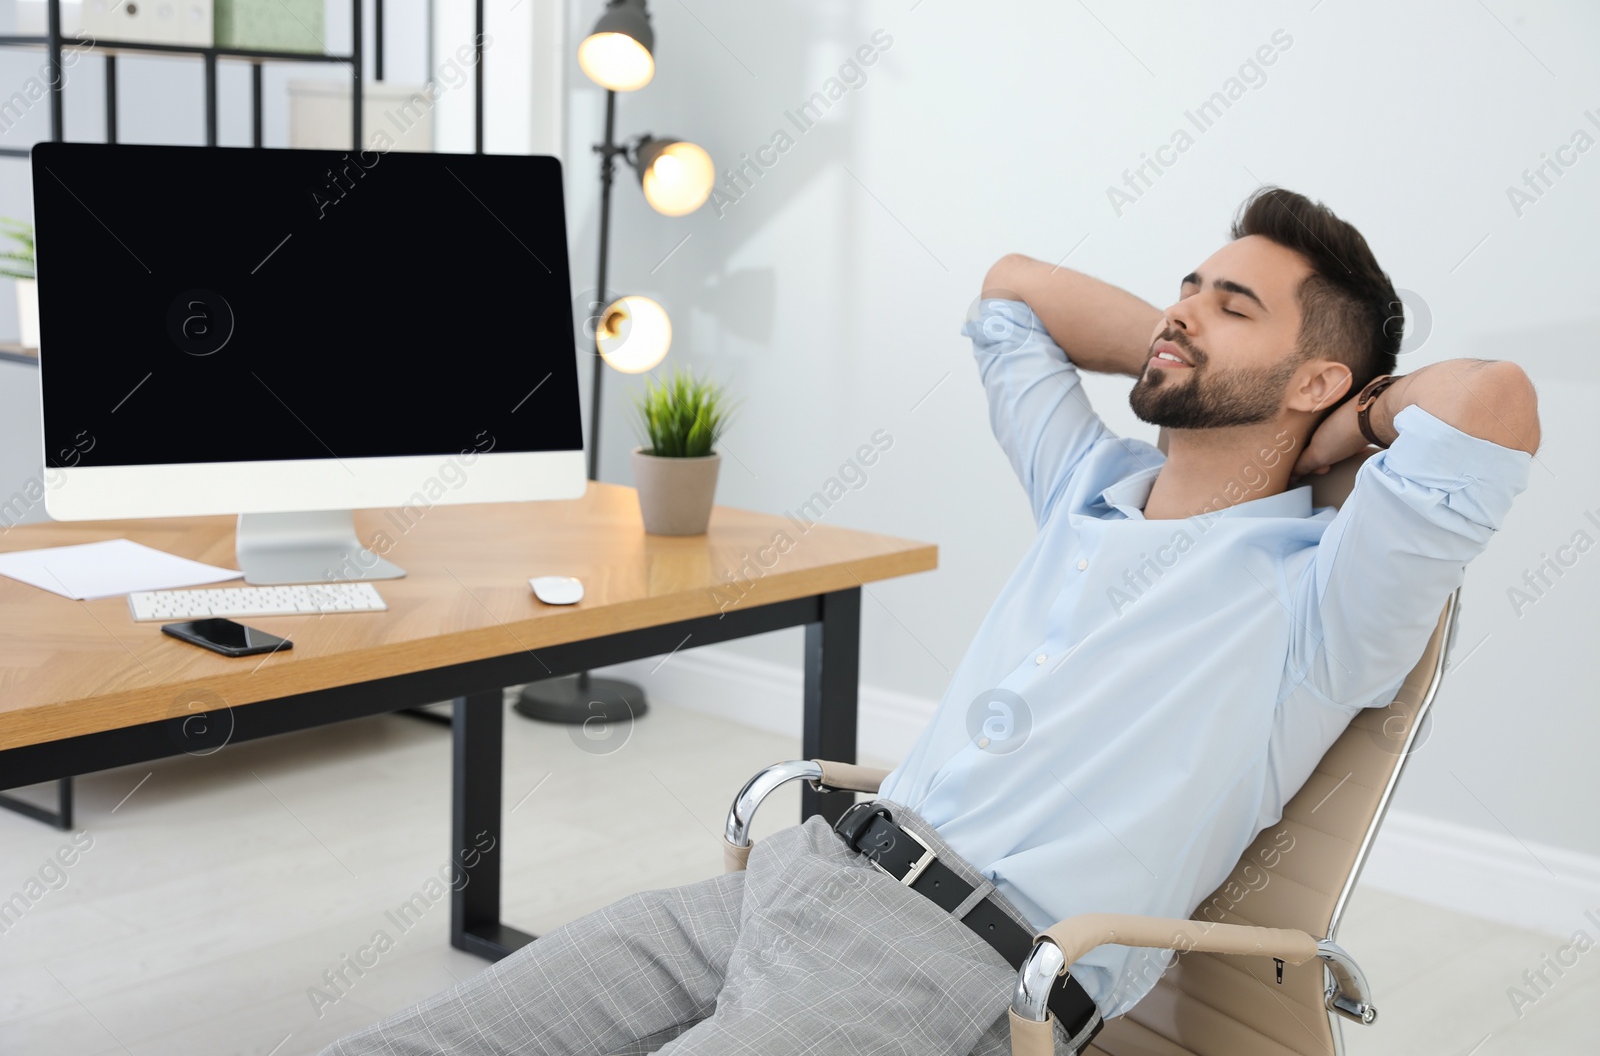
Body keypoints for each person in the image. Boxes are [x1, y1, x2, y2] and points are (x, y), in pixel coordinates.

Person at [322, 187, 1539, 1056]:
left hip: (954, 959)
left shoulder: (1325, 595)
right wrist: (1215, 360)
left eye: (1231, 305)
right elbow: (1009, 294)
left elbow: (1491, 401)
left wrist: (1333, 424)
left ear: (1322, 378)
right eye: (1184, 287)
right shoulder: (1091, 486)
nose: (1176, 313)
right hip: (800, 870)